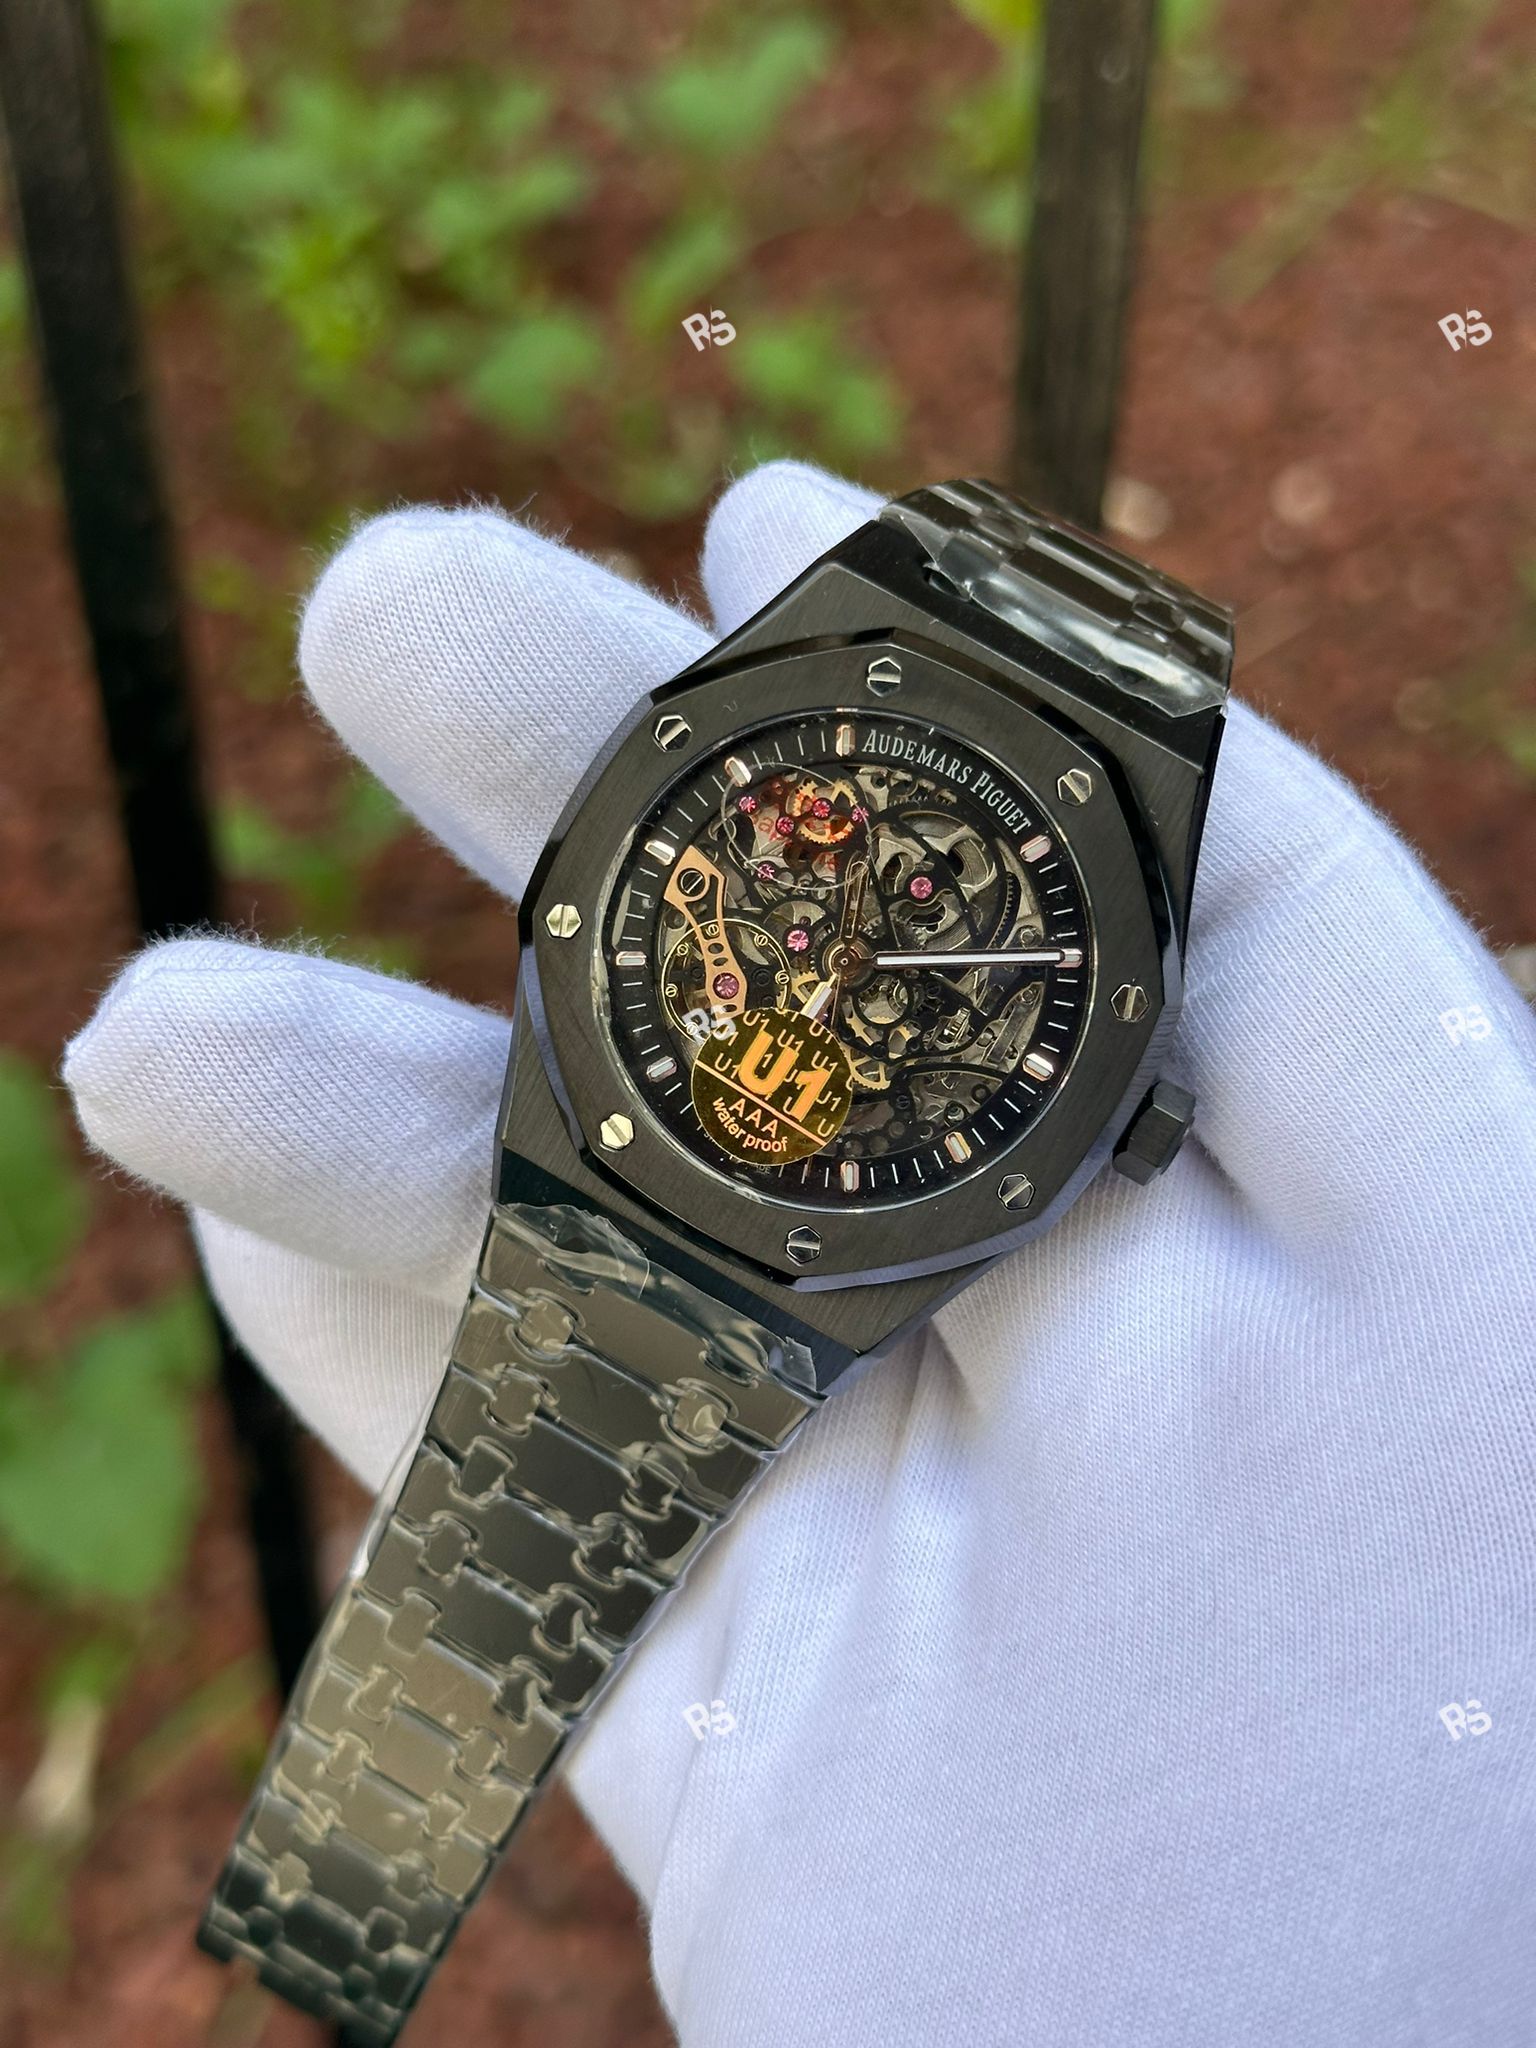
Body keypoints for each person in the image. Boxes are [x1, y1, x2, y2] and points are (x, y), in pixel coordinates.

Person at [64, 462, 1536, 2046]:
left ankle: (327, 1918)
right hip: (643, 1145)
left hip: (750, 1193)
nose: (842, 969)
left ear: (1121, 1113)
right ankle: (337, 1897)